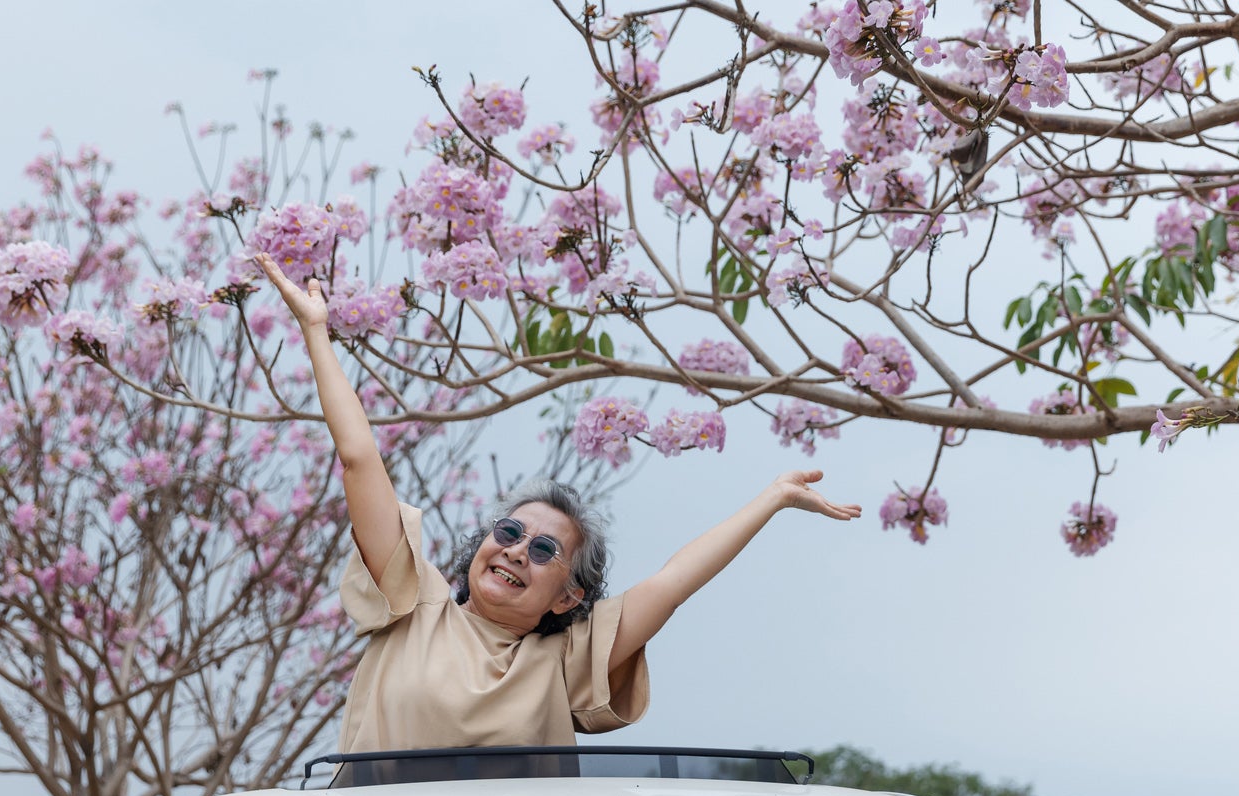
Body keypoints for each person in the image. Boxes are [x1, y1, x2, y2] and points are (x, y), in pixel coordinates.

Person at [254, 253, 861, 754]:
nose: (517, 550)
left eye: (543, 549)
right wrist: (316, 332)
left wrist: (773, 498)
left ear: (569, 595)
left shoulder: (564, 658)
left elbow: (675, 582)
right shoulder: (414, 606)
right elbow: (360, 459)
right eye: (510, 532)